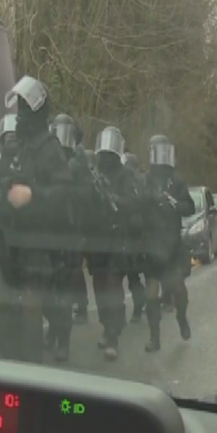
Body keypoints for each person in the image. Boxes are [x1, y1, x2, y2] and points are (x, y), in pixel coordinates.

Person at [0, 76, 73, 363]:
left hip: (36, 246)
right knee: (1, 311)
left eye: (25, 107)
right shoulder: (18, 146)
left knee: (31, 313)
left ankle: (32, 375)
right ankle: (12, 367)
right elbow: (0, 182)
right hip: (8, 245)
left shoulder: (49, 148)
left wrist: (33, 195)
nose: (20, 113)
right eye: (18, 106)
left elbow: (64, 193)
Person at [88, 126, 140, 361]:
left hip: (117, 239)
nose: (106, 154)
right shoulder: (95, 172)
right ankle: (106, 325)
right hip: (97, 239)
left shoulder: (125, 175)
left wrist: (114, 199)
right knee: (99, 288)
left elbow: (132, 203)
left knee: (112, 287)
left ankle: (113, 334)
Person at [142, 134, 195, 353]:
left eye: (165, 150)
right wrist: (151, 200)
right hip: (152, 245)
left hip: (172, 244)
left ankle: (182, 318)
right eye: (158, 150)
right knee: (151, 294)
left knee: (179, 291)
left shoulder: (177, 180)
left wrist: (174, 204)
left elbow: (189, 207)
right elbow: (138, 204)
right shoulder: (145, 179)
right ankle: (154, 338)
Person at [43, 113, 90, 358]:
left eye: (66, 132)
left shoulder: (80, 164)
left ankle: (63, 342)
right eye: (57, 131)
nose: (61, 138)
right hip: (48, 235)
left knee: (62, 295)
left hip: (70, 238)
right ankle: (53, 330)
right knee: (45, 293)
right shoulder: (48, 160)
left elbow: (87, 198)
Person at [121, 152, 147, 323]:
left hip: (135, 232)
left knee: (132, 273)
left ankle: (140, 306)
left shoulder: (134, 180)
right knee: (136, 273)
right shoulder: (141, 179)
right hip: (136, 232)